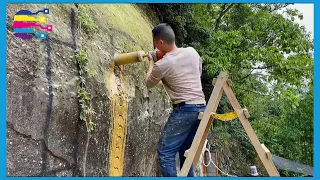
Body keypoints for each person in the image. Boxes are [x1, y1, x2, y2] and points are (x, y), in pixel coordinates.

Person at [145, 23, 206, 177]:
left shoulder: (163, 64)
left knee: (165, 152)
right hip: (202, 108)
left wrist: (152, 60)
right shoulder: (192, 52)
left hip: (185, 110)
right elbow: (197, 72)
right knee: (186, 152)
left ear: (160, 43)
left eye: (155, 44)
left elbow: (148, 83)